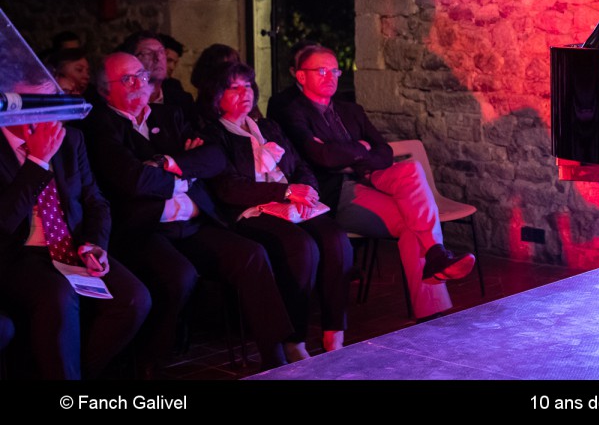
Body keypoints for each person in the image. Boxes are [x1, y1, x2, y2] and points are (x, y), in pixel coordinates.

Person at [84, 52, 293, 375]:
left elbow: (215, 158)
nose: (141, 83)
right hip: (146, 230)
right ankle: (149, 362)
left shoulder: (169, 116)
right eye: (127, 79)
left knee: (251, 254)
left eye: (141, 74)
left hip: (195, 223)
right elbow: (132, 179)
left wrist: (166, 163)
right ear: (103, 89)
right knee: (179, 275)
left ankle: (274, 354)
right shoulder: (100, 125)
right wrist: (185, 170)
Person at [275, 44, 474, 321]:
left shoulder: (350, 110)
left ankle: (435, 257)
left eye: (334, 70)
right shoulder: (293, 111)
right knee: (412, 224)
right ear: (301, 77)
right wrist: (360, 148)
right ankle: (433, 306)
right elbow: (319, 156)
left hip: (370, 178)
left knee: (411, 169)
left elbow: (384, 151)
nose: (330, 76)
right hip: (338, 192)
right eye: (321, 70)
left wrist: (349, 154)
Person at [198, 62, 352, 359]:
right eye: (235, 87)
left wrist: (305, 189)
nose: (245, 93)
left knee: (335, 238)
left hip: (290, 201)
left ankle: (335, 329)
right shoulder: (214, 136)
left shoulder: (267, 127)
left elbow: (299, 165)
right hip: (251, 210)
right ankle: (293, 338)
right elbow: (229, 188)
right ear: (217, 95)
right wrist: (285, 191)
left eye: (248, 86)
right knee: (301, 246)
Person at [0, 110, 151, 379]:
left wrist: (95, 243)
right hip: (16, 252)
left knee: (134, 298)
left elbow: (95, 200)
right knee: (57, 295)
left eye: (51, 104)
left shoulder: (70, 139)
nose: (47, 115)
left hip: (71, 244)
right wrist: (37, 160)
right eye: (36, 104)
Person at [119, 31, 197, 120]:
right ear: (131, 61)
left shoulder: (182, 101)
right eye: (148, 53)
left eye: (161, 52)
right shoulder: (121, 103)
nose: (158, 58)